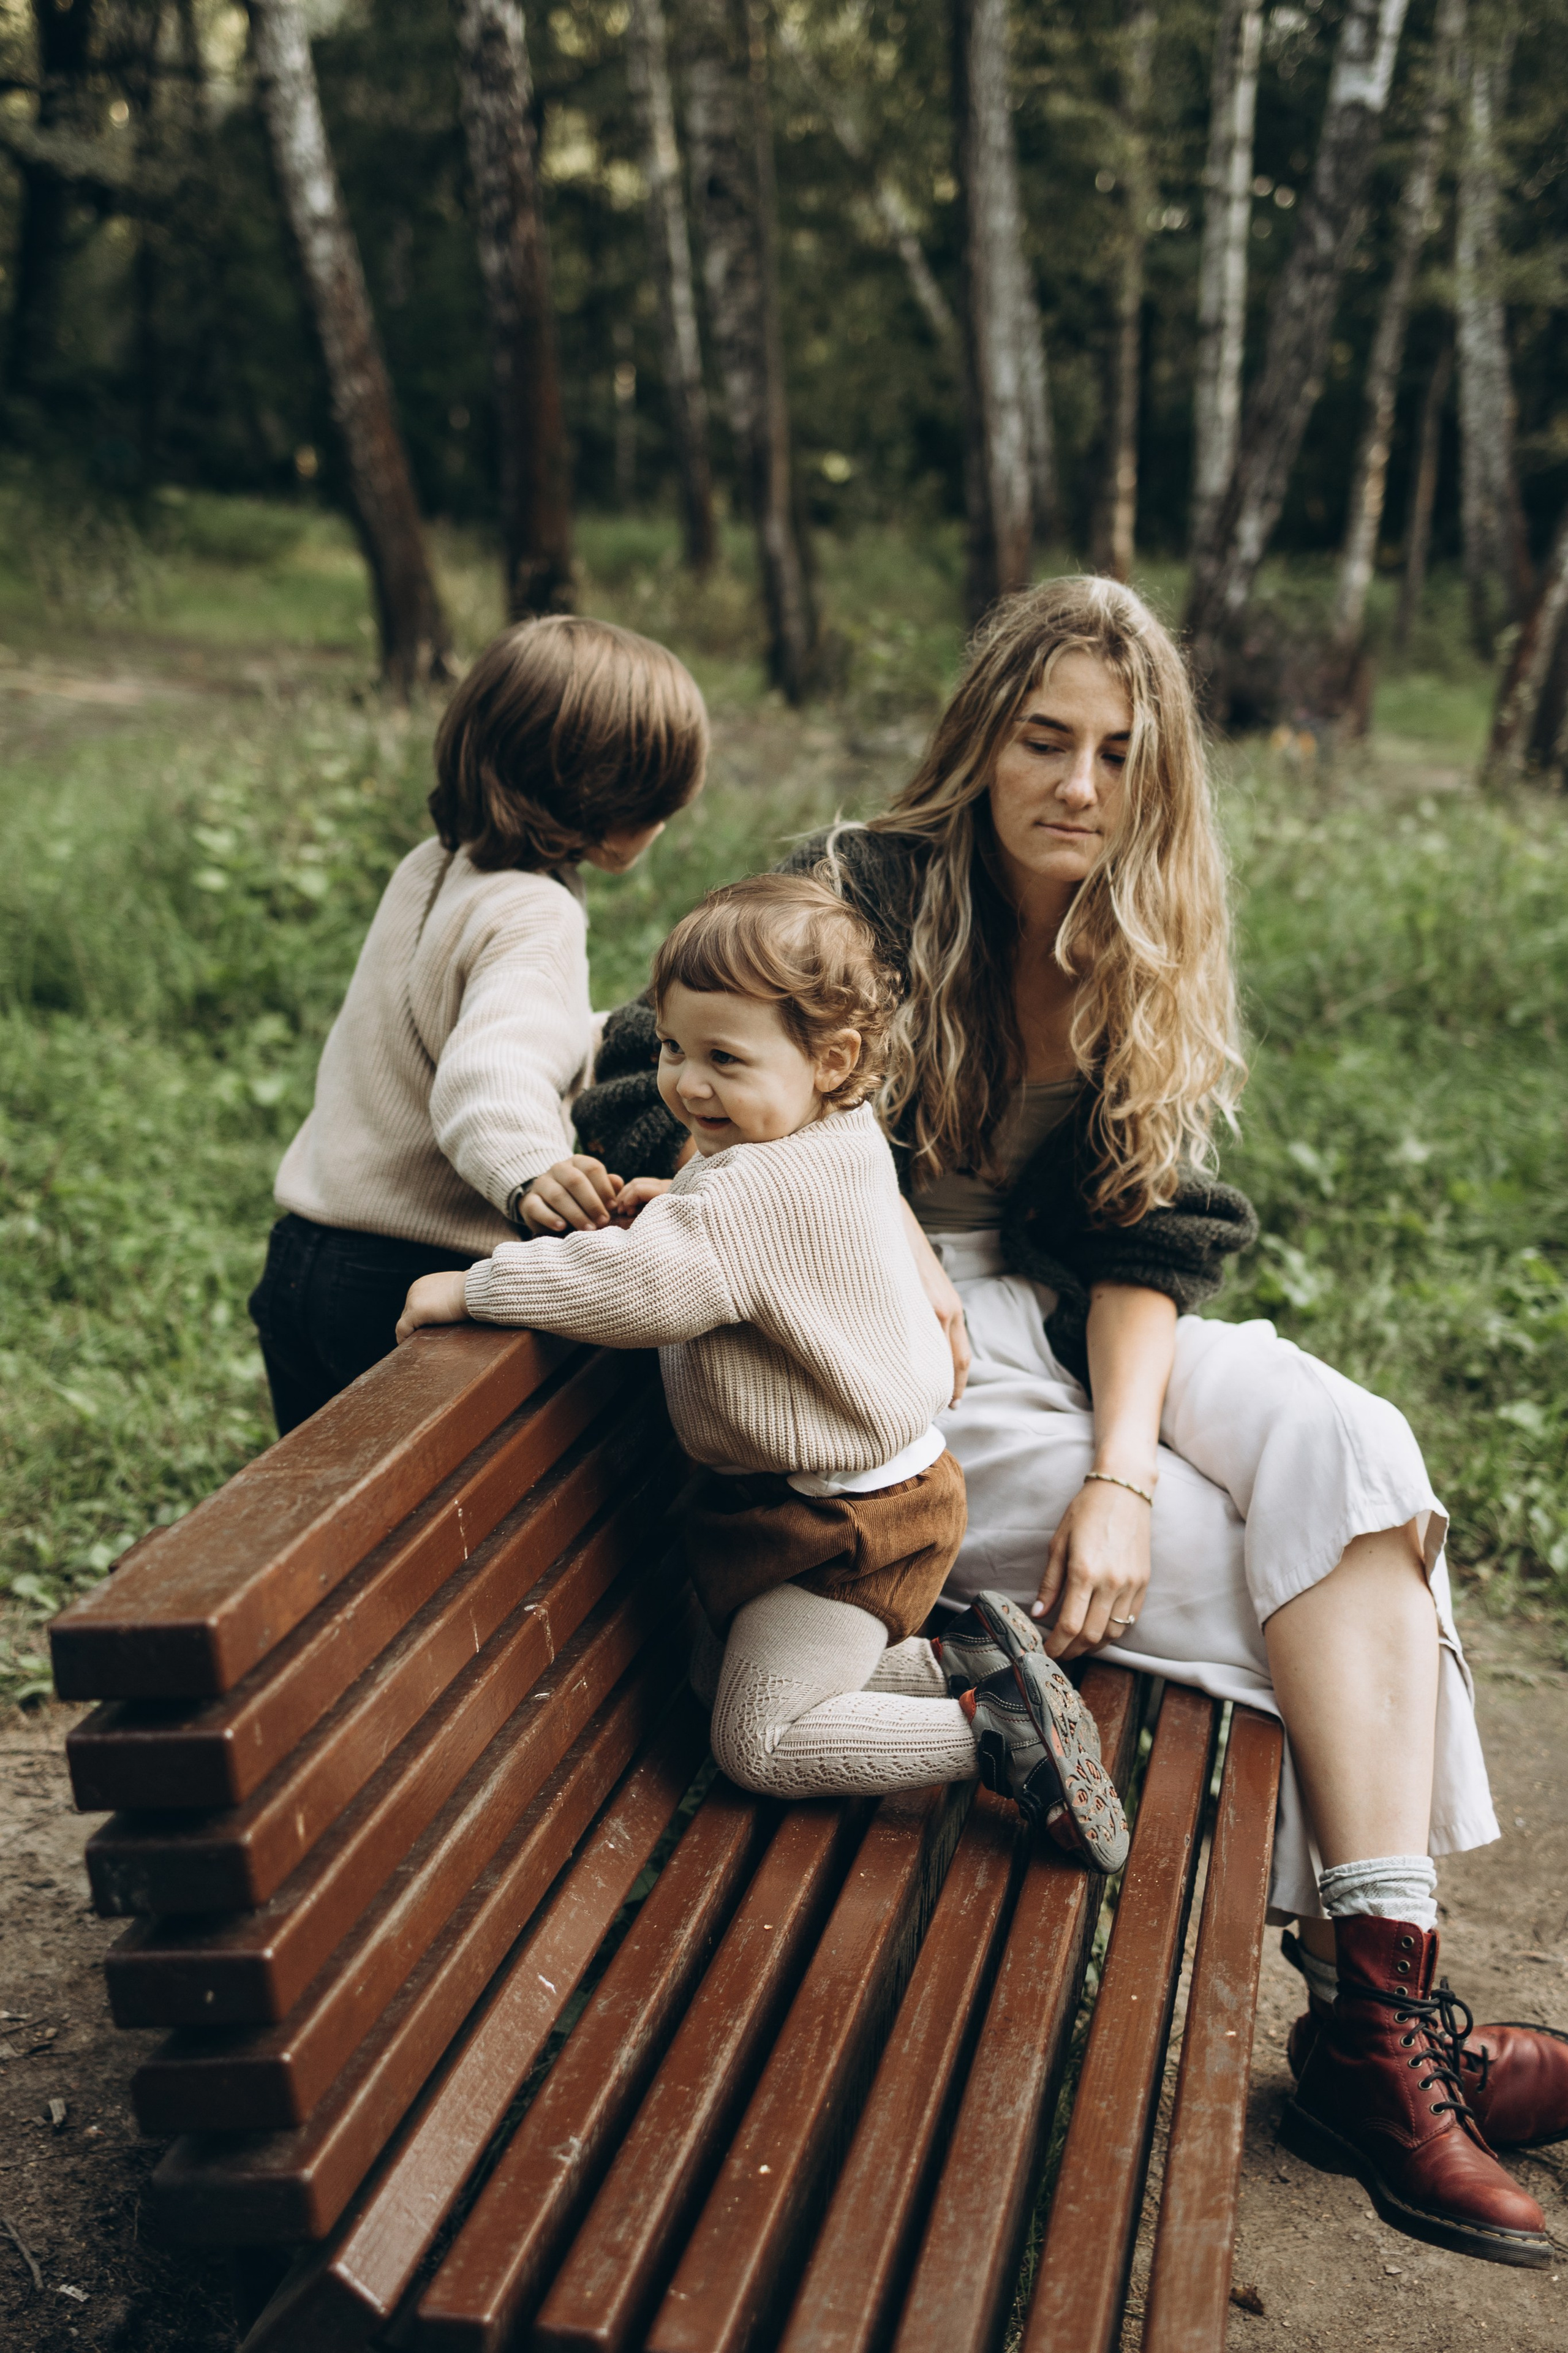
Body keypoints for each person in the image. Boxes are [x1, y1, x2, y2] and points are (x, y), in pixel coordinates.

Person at [574, 578, 1568, 2268]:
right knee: (1274, 1579)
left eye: (1119, 752)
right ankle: (1386, 2035)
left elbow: (1140, 1232)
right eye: (1045, 740)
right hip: (888, 1350)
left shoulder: (1143, 925)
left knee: (1350, 1454)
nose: (1080, 787)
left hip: (1059, 1314)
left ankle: (1376, 2019)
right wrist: (859, 1204)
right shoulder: (862, 889)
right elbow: (655, 1062)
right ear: (983, 736)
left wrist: (1120, 1470)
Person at [396, 873, 1129, 1866]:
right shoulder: (838, 1131)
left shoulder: (749, 1196)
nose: (686, 1084)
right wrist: (686, 1195)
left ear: (831, 1060)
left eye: (724, 1059)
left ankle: (996, 1736)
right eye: (671, 1048)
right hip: (877, 1493)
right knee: (725, 1671)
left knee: (759, 1740)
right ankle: (966, 1662)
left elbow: (646, 1291)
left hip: (837, 1530)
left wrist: (477, 1289)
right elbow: (757, 1226)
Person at [247, 616, 708, 1433]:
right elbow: (488, 1072)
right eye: (655, 804)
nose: (664, 824)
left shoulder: (435, 866)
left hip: (303, 1255)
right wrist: (531, 1167)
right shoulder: (536, 911)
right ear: (597, 797)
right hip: (403, 1271)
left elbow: (457, 1024)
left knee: (331, 1529)